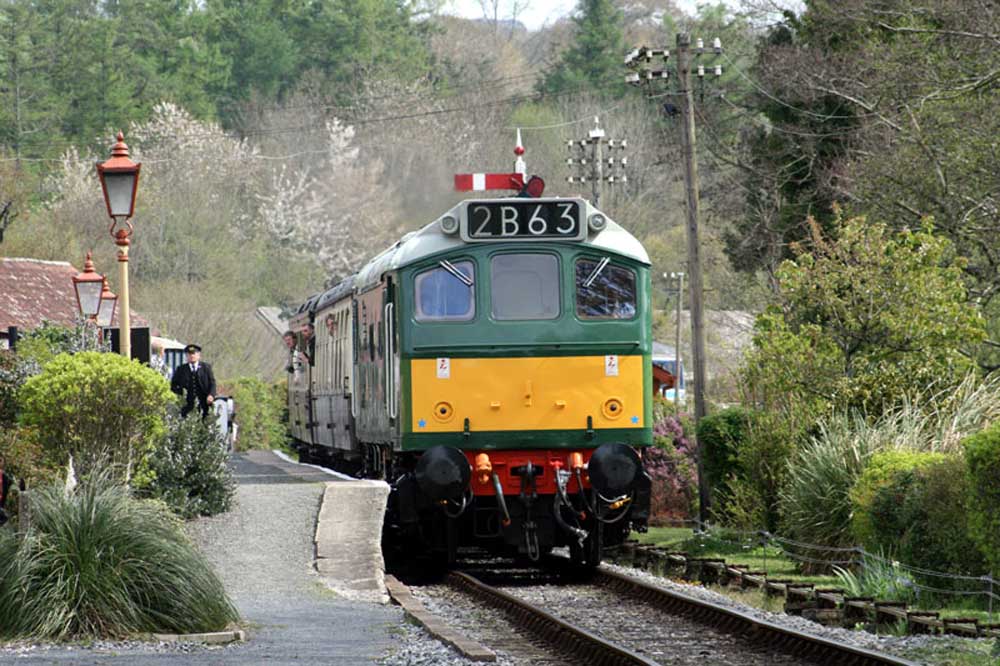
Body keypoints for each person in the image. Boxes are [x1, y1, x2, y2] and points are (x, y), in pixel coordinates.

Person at [170, 343, 217, 418]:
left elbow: (212, 383)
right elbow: (173, 385)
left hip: (204, 404)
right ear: (186, 356)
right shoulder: (181, 369)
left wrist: (211, 395)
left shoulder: (206, 367)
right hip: (187, 406)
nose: (192, 356)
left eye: (194, 353)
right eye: (189, 354)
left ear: (198, 355)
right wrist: (180, 396)